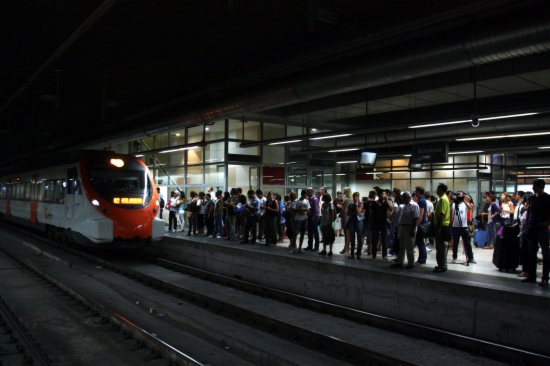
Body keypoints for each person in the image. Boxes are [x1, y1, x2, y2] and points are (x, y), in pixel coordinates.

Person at [523, 179, 550, 286]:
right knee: (531, 252)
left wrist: (546, 223)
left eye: (534, 186)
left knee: (545, 253)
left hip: (542, 228)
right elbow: (530, 212)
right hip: (532, 227)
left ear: (540, 186)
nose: (532, 188)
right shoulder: (533, 198)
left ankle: (545, 277)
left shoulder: (547, 198)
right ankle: (531, 276)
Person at [390, 191, 419, 269]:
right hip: (402, 227)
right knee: (401, 246)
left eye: (403, 197)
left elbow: (416, 218)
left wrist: (413, 229)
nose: (402, 199)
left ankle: (411, 263)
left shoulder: (414, 205)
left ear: (407, 197)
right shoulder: (403, 206)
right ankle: (400, 262)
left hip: (409, 227)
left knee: (409, 246)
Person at [451, 191, 476, 264]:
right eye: (459, 196)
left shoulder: (465, 204)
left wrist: (464, 201)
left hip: (464, 226)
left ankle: (471, 258)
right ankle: (454, 257)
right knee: (455, 243)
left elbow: (470, 208)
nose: (460, 197)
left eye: (461, 196)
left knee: (467, 243)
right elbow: (449, 208)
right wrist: (453, 199)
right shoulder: (453, 204)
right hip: (455, 226)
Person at [433, 183, 451, 273]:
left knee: (440, 247)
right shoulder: (443, 199)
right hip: (442, 224)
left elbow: (442, 214)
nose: (436, 191)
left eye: (438, 189)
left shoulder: (443, 199)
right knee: (440, 246)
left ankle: (442, 265)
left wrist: (439, 226)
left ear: (442, 190)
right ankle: (441, 264)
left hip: (442, 225)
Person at [370, 187, 392, 260]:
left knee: (384, 239)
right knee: (374, 239)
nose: (384, 196)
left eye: (385, 194)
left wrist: (387, 201)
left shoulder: (385, 203)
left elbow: (391, 209)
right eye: (383, 194)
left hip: (383, 223)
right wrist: (371, 223)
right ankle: (373, 254)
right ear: (379, 195)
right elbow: (371, 213)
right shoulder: (374, 204)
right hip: (375, 223)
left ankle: (384, 254)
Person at [289, 189, 310, 254]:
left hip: (305, 218)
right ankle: (293, 247)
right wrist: (299, 210)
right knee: (295, 233)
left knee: (302, 233)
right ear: (302, 195)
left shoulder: (307, 201)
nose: (305, 196)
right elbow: (292, 211)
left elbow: (309, 211)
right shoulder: (296, 201)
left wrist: (306, 210)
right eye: (305, 195)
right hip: (298, 219)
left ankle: (300, 247)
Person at [347, 192, 364, 259]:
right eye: (354, 196)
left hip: (358, 222)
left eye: (356, 196)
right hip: (352, 221)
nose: (355, 198)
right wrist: (353, 213)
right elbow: (348, 213)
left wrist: (356, 206)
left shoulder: (361, 204)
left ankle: (358, 253)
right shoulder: (350, 204)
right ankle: (352, 253)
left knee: (359, 237)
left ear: (358, 197)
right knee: (352, 238)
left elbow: (358, 212)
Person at [414, 186, 428, 265]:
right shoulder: (421, 200)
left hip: (421, 224)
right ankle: (421, 257)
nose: (415, 193)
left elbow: (421, 213)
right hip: (423, 223)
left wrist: (417, 224)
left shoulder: (421, 201)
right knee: (420, 241)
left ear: (419, 192)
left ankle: (422, 258)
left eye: (416, 191)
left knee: (420, 241)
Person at [339, 187, 352, 254]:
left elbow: (344, 209)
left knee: (346, 233)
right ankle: (348, 246)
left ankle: (346, 247)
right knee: (349, 233)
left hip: (346, 217)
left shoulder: (346, 200)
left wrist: (340, 215)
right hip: (350, 217)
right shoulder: (351, 199)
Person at [306, 187, 320, 251]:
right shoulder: (309, 199)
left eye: (308, 191)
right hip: (309, 217)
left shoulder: (314, 199)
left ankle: (316, 246)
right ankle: (310, 245)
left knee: (315, 232)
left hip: (314, 217)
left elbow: (316, 210)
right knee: (310, 232)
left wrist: (313, 217)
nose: (307, 193)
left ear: (312, 192)